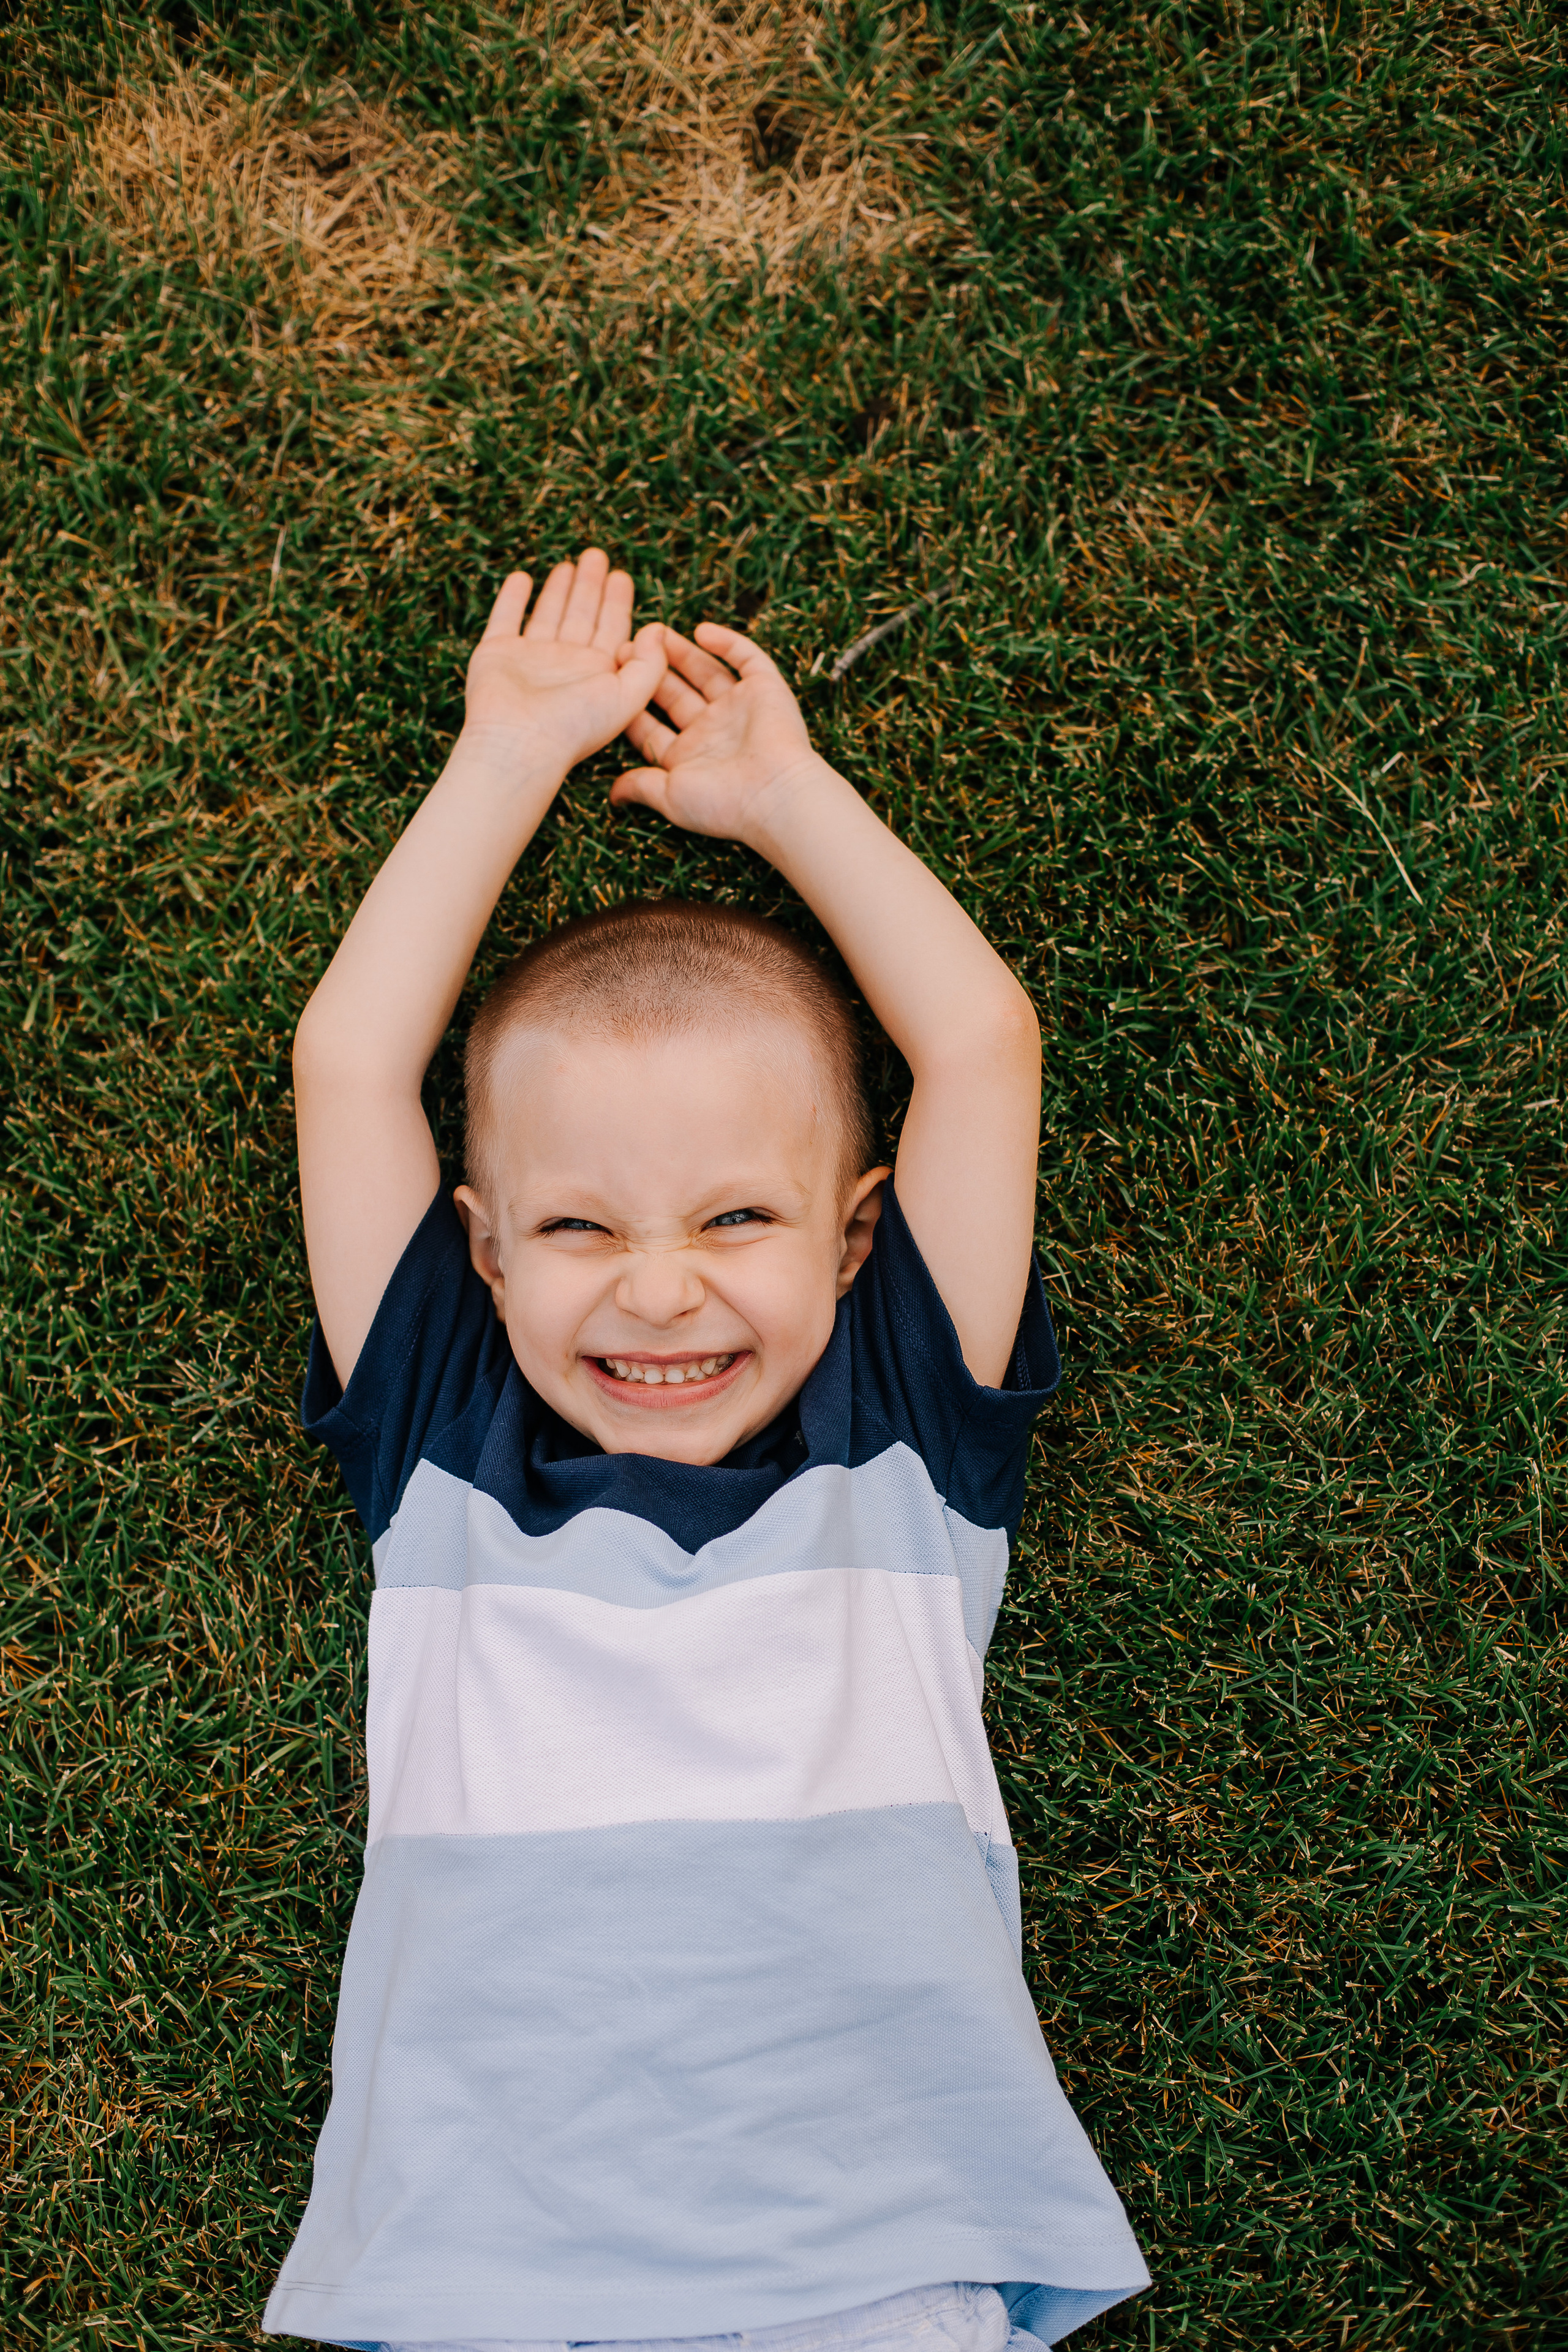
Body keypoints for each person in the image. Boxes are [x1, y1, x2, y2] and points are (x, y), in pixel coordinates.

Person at [265, 549, 1151, 2352]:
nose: (661, 1293)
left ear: (852, 1239)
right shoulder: (449, 1441)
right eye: (580, 1230)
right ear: (485, 1252)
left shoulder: (897, 1434)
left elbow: (980, 1046)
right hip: (483, 2266)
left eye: (738, 1216)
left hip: (872, 2260)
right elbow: (352, 1065)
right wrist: (502, 761)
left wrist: (787, 800)